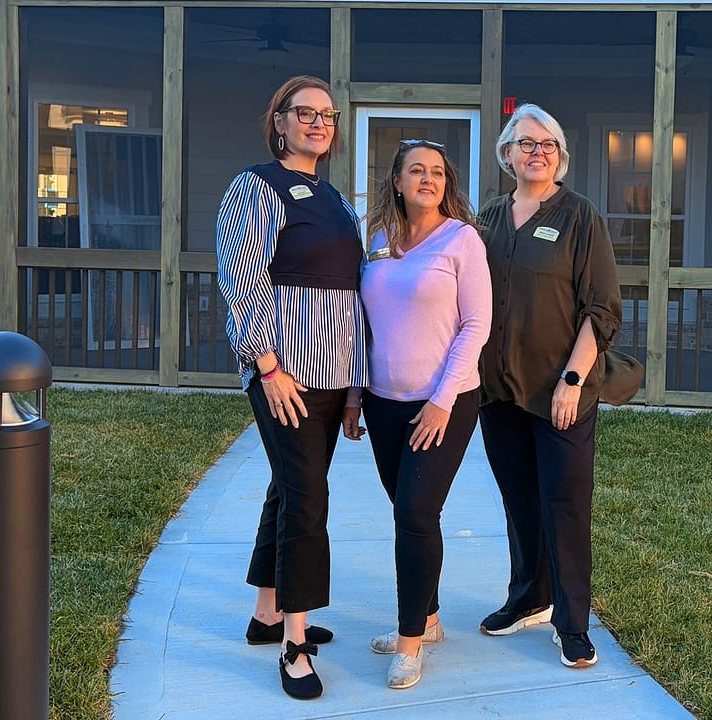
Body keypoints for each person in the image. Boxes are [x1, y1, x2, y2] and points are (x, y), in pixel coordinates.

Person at [215, 74, 368, 702]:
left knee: (289, 486)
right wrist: (268, 365)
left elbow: (355, 294)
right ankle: (295, 644)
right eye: (305, 112)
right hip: (286, 372)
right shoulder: (255, 186)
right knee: (307, 496)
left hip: (334, 375)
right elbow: (241, 274)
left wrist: (355, 387)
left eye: (328, 115)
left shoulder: (336, 199)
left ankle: (266, 614)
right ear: (278, 120)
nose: (318, 123)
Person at [475, 103, 622, 670]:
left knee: (565, 504)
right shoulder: (488, 217)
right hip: (498, 390)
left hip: (561, 391)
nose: (537, 152)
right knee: (518, 499)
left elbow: (601, 309)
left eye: (548, 144)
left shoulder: (580, 216)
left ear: (560, 155)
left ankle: (572, 622)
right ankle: (528, 597)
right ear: (507, 154)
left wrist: (572, 379)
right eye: (526, 143)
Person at [359, 139, 491, 690]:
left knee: (415, 510)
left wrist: (441, 401)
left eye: (437, 171)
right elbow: (361, 322)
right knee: (410, 512)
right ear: (397, 181)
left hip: (445, 402)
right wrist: (355, 394)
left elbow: (476, 325)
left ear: (447, 183)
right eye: (417, 170)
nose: (428, 179)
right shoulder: (379, 240)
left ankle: (409, 641)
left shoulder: (463, 240)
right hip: (382, 401)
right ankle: (428, 618)